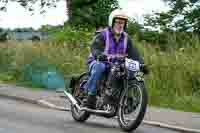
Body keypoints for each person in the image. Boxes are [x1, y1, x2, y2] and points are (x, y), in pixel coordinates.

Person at [85, 8, 147, 109]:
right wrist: (99, 55)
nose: (120, 25)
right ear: (112, 22)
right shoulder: (103, 34)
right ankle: (90, 96)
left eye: (122, 23)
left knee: (128, 71)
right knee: (99, 67)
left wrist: (142, 65)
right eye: (118, 22)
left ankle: (119, 97)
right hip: (98, 61)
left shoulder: (127, 38)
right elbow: (95, 47)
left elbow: (134, 54)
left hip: (116, 65)